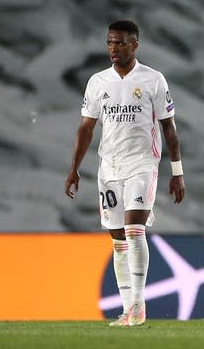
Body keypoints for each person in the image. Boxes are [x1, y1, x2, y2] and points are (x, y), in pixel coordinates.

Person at [65, 20, 185, 326]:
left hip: (143, 162)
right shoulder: (97, 82)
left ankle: (138, 306)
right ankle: (127, 307)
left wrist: (177, 171)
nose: (113, 49)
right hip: (110, 166)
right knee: (117, 238)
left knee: (134, 230)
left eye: (119, 43)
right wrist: (75, 169)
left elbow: (168, 126)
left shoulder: (153, 79)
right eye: (109, 43)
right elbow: (86, 128)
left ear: (134, 45)